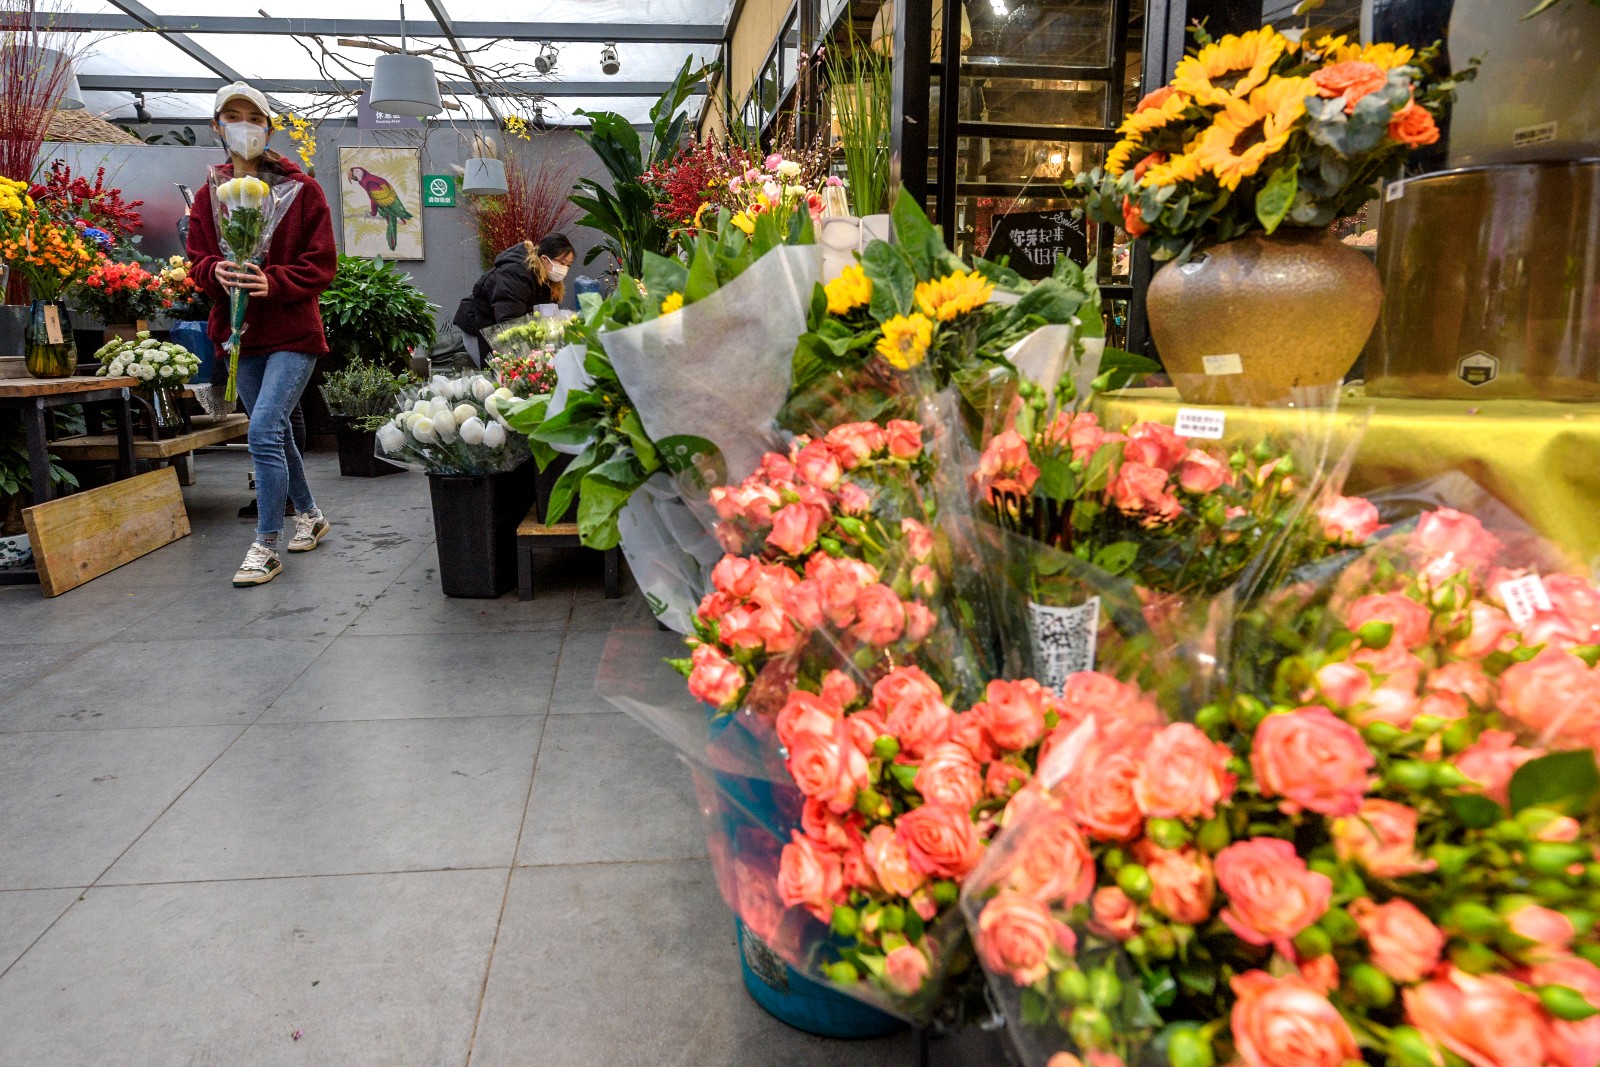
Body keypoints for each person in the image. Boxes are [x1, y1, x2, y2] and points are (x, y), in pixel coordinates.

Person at [186, 81, 337, 587]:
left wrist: (273, 281)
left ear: (268, 126)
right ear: (217, 124)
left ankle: (266, 543)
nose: (243, 125)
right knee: (273, 433)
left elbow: (322, 266)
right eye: (232, 115)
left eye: (253, 116)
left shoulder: (303, 191)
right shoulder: (211, 192)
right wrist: (217, 274)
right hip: (240, 335)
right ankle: (310, 514)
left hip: (293, 333)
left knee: (261, 430)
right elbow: (198, 261)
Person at [453, 233, 574, 365]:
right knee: (495, 371)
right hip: (482, 327)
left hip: (508, 329)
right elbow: (508, 318)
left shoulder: (549, 281)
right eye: (562, 263)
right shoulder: (515, 273)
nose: (564, 269)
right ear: (544, 259)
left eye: (568, 265)